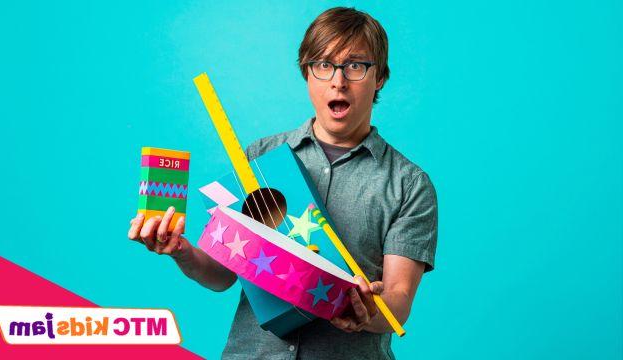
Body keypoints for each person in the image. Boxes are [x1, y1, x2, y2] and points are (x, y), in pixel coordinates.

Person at [128, 7, 437, 359]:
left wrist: (368, 312)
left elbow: (398, 299)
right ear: (307, 73)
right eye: (323, 65)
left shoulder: (409, 185)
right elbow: (224, 275)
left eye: (355, 66)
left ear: (379, 76)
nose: (338, 80)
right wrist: (181, 251)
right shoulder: (259, 158)